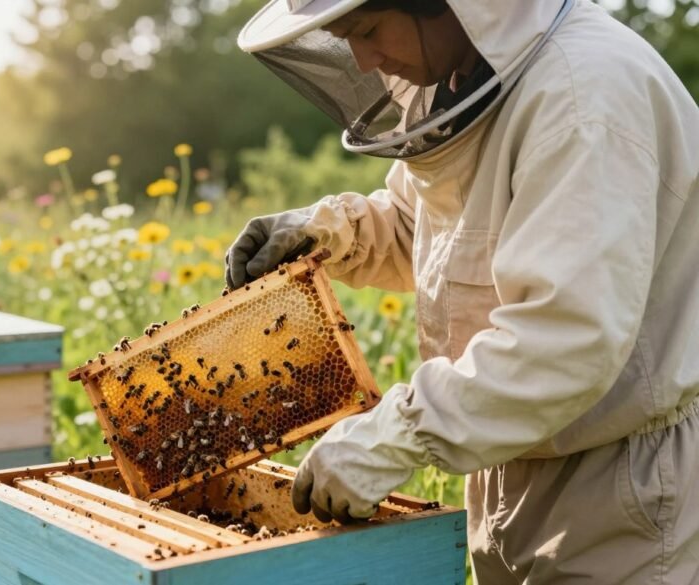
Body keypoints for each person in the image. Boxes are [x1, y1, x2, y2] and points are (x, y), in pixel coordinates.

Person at [227, 0, 699, 582]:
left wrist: (395, 436)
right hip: (511, 459)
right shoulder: (459, 75)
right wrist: (328, 232)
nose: (365, 59)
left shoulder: (584, 94)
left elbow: (565, 341)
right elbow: (430, 229)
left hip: (623, 489)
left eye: (369, 30)